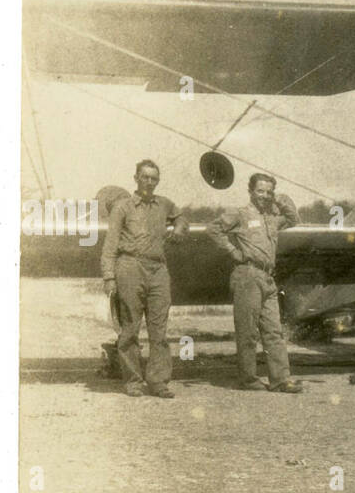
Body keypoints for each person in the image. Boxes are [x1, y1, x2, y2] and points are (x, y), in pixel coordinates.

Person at [207, 173, 303, 392]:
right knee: (248, 331)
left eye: (269, 192)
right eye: (260, 191)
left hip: (268, 277)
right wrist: (232, 250)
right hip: (247, 275)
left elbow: (295, 220)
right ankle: (248, 379)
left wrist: (281, 200)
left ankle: (280, 380)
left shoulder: (272, 217)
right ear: (251, 191)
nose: (265, 196)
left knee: (274, 331)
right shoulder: (240, 214)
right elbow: (213, 229)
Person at [101, 159, 187, 397]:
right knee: (129, 328)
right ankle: (133, 381)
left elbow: (181, 217)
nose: (149, 182)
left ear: (157, 181)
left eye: (154, 178)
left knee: (159, 330)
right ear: (136, 178)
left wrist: (179, 227)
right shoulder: (123, 207)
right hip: (129, 267)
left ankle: (158, 381)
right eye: (145, 177)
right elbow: (110, 245)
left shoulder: (164, 204)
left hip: (158, 270)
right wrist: (109, 277)